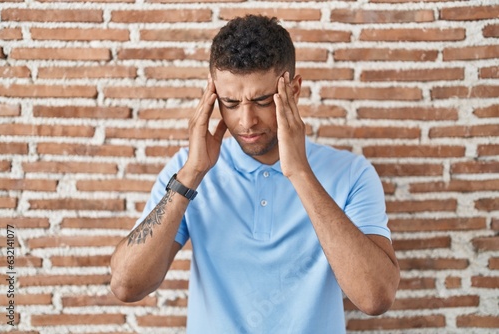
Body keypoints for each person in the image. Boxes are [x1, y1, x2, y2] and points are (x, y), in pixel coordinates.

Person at [110, 15, 400, 333]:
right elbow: (126, 286)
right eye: (230, 103)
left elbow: (375, 298)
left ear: (294, 89)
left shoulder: (350, 173)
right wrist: (192, 174)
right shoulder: (187, 170)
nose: (246, 121)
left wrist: (300, 172)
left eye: (262, 101)